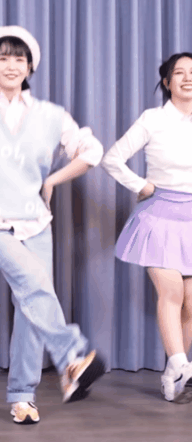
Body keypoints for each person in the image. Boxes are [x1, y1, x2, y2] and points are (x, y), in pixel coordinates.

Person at [0, 26, 106, 424]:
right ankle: (73, 355)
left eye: (19, 58)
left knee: (30, 306)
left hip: (36, 223)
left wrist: (52, 181)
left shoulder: (51, 115)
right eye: (3, 58)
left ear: (30, 67)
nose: (11, 65)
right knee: (35, 287)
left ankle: (22, 397)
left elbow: (92, 150)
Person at [102, 52, 192, 403]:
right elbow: (112, 158)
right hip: (160, 216)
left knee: (191, 303)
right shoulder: (153, 119)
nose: (188, 78)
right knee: (171, 292)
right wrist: (141, 186)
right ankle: (181, 364)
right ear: (167, 82)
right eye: (179, 73)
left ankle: (175, 372)